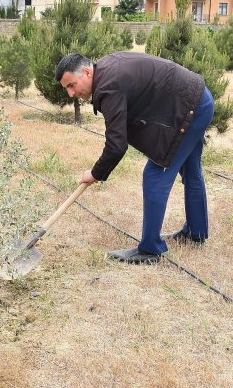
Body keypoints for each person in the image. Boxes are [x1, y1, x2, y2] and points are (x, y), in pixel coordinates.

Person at [55, 52, 214, 264]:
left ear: (86, 72)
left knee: (156, 172)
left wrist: (95, 174)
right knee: (190, 169)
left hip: (191, 106)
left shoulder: (108, 86)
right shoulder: (106, 73)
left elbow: (116, 145)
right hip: (197, 99)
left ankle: (150, 249)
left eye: (72, 85)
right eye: (67, 88)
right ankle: (196, 233)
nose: (71, 93)